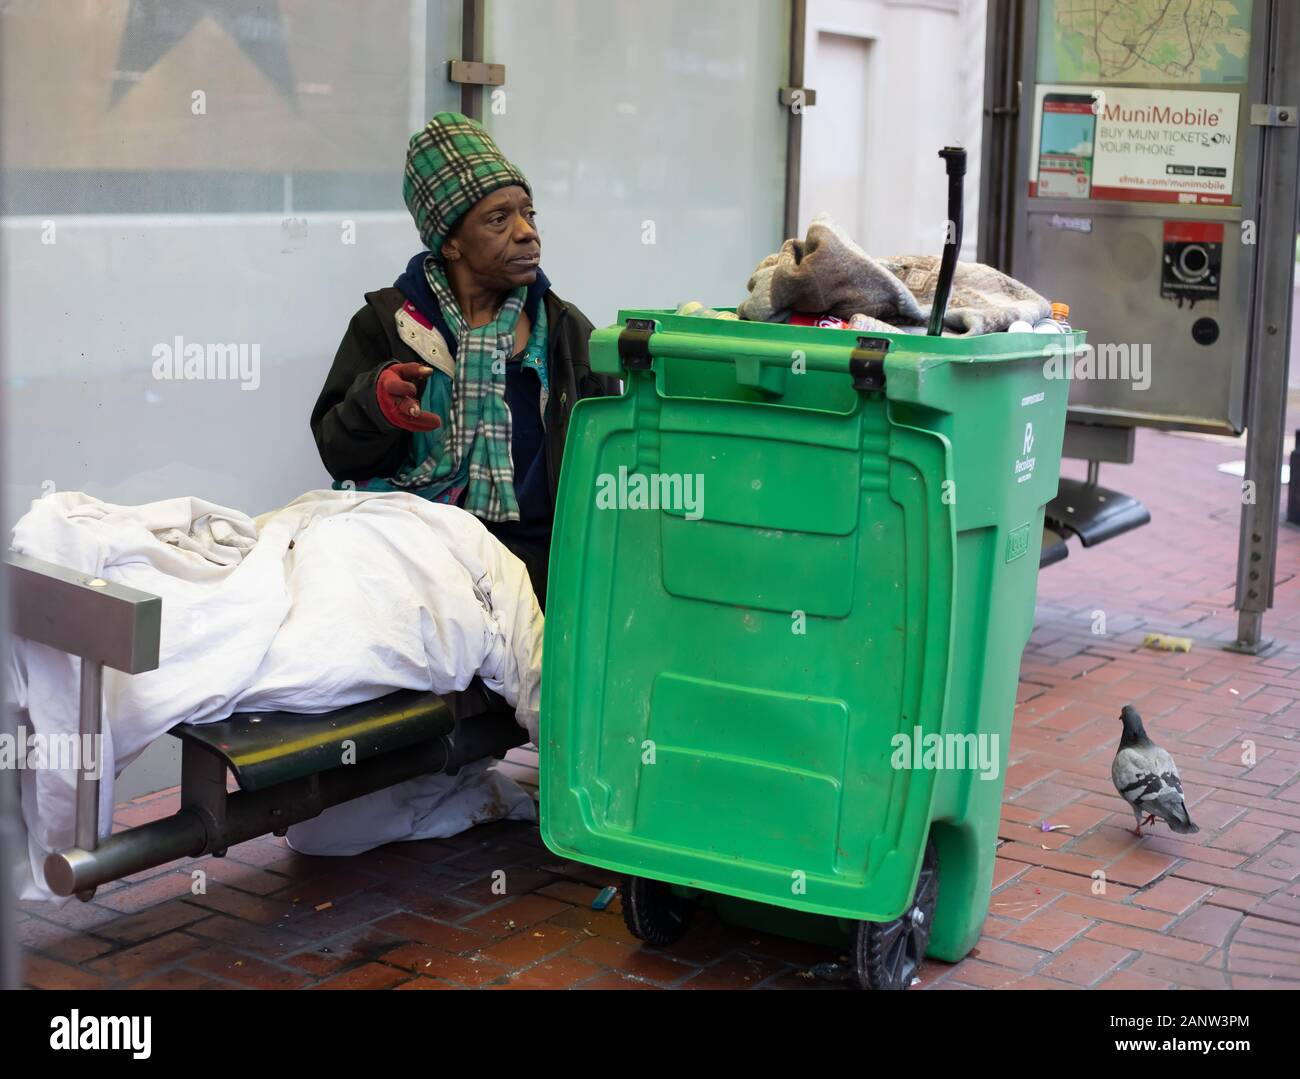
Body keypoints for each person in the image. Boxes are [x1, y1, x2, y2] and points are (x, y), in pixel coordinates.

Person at [311, 112, 618, 610]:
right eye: (498, 220)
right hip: (414, 551)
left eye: (529, 214)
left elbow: (609, 468)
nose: (526, 233)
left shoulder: (565, 332)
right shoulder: (390, 325)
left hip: (539, 567)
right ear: (449, 241)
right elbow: (339, 456)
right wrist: (377, 408)